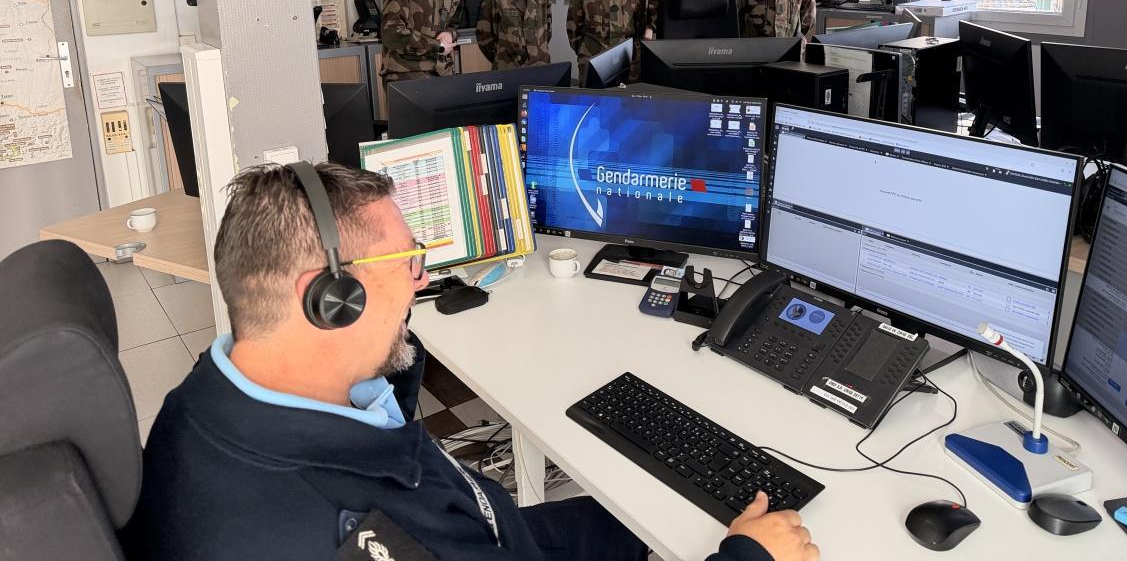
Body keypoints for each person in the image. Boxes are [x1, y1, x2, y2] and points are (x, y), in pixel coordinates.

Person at [121, 162, 821, 561]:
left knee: (652, 515)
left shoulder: (203, 404)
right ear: (332, 299)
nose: (423, 281)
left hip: (500, 537)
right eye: (409, 263)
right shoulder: (339, 531)